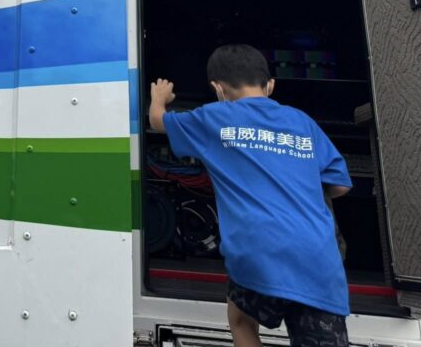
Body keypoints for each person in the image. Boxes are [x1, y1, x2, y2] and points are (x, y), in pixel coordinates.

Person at [149, 44, 351, 347]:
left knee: (241, 321)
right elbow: (340, 185)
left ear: (218, 89)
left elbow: (157, 121)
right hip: (317, 259)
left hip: (257, 253)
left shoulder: (213, 118)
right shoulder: (302, 122)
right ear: (270, 85)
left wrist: (159, 97)